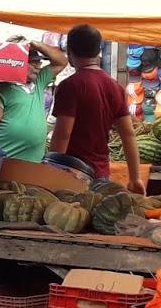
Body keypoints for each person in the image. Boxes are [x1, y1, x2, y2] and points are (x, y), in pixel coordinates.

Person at [51, 24, 143, 190]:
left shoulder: (70, 86)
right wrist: (135, 178)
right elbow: (128, 134)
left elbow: (63, 134)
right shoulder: (115, 87)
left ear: (69, 52)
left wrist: (50, 170)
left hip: (72, 174)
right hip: (101, 174)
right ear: (98, 51)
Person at [0, 36, 67, 163]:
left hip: (33, 163)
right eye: (32, 62)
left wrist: (37, 45)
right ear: (16, 62)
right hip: (4, 161)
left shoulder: (39, 81)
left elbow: (62, 62)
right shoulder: (0, 87)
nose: (38, 66)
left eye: (38, 61)